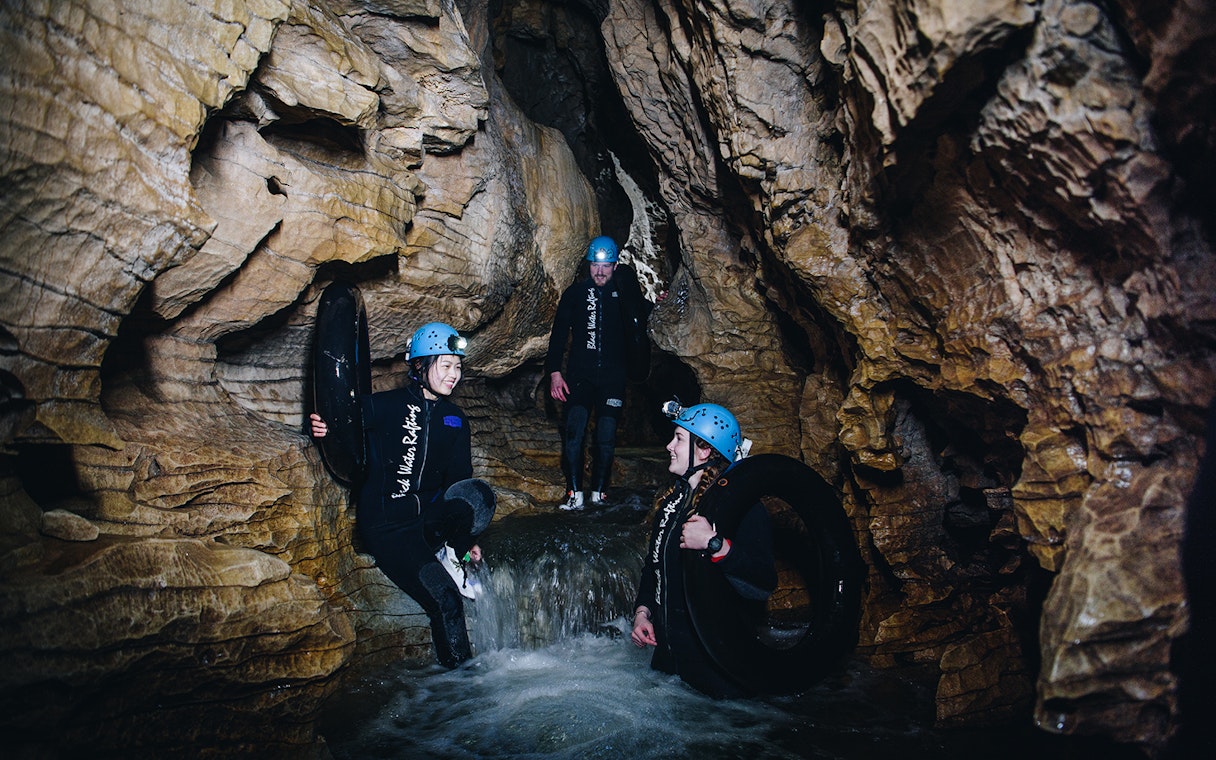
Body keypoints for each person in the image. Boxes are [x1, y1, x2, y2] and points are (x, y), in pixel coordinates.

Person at [310, 321, 496, 669]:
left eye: (458, 366)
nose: (454, 374)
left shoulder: (455, 419)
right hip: (389, 528)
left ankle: (455, 560)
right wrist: (321, 426)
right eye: (445, 365)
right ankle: (464, 692)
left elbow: (460, 481)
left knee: (480, 495)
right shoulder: (386, 406)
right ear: (420, 366)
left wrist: (466, 538)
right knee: (447, 601)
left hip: (428, 520)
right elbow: (339, 422)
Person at [630, 401, 776, 698]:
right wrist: (643, 612)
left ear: (704, 450)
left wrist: (715, 545)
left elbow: (762, 583)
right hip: (668, 667)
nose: (669, 446)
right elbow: (653, 565)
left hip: (715, 676)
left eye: (679, 439)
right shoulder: (672, 502)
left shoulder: (742, 510)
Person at [545, 235, 629, 510]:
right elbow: (558, 335)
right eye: (595, 265)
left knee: (605, 436)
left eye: (606, 266)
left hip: (613, 379)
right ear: (588, 265)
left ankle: (600, 493)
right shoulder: (575, 293)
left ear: (615, 266)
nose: (600, 271)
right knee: (574, 434)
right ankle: (574, 494)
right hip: (580, 376)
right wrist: (555, 373)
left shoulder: (624, 294)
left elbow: (644, 319)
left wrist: (662, 302)